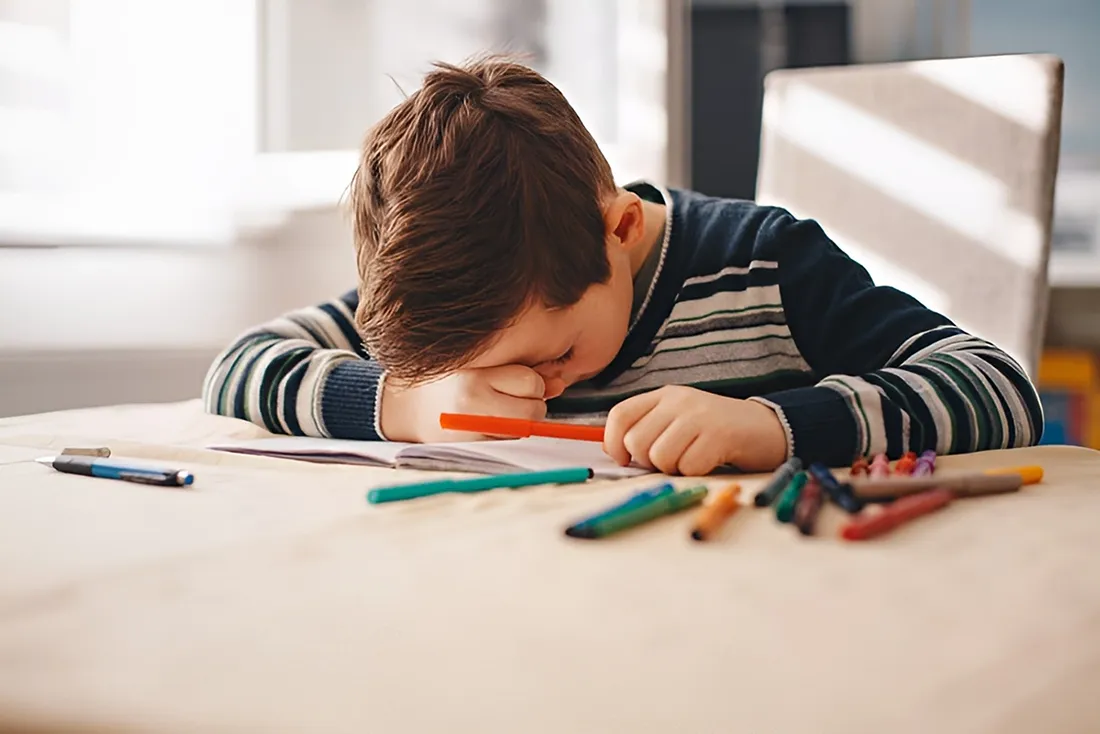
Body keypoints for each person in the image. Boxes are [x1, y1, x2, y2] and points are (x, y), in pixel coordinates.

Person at [202, 56, 1042, 476]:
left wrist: (778, 426)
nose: (537, 388)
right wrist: (407, 402)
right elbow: (239, 369)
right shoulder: (470, 292)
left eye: (553, 355)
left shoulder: (764, 267)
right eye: (479, 370)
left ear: (620, 228)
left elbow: (998, 388)